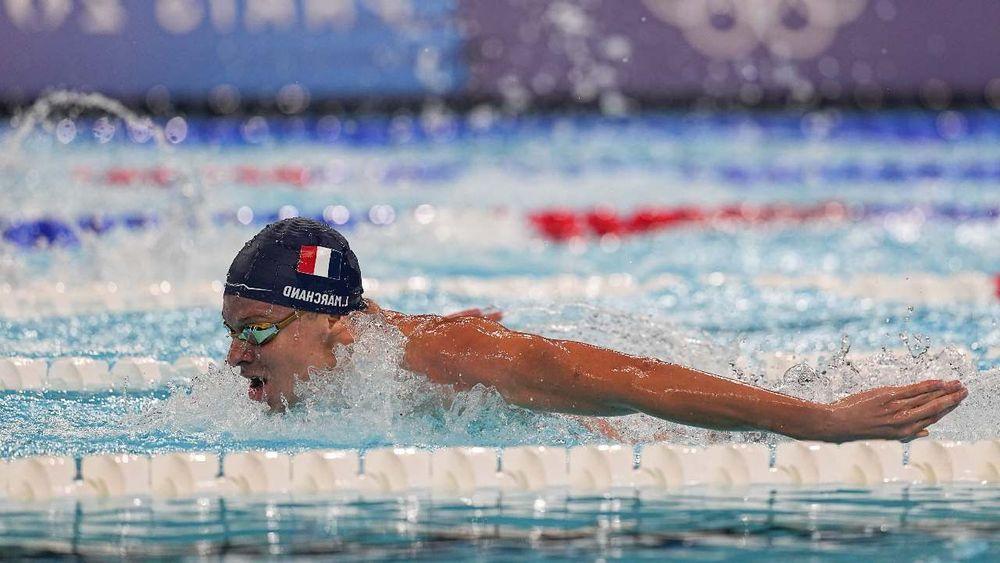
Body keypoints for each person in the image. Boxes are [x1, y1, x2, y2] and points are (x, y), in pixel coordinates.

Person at [222, 218, 967, 443]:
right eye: (230, 332)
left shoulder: (449, 355)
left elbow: (634, 382)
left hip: (692, 436)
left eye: (253, 332)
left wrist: (822, 420)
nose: (233, 357)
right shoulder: (352, 350)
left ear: (333, 325)